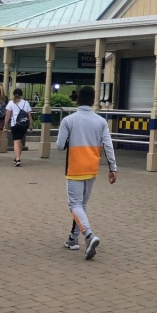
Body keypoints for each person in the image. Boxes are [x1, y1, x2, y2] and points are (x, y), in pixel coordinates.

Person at [55, 85, 116, 260]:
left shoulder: (68, 120)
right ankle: (73, 239)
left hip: (75, 167)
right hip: (92, 167)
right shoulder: (101, 121)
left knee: (74, 204)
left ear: (78, 100)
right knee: (81, 205)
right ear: (93, 101)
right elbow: (108, 146)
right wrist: (113, 168)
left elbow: (60, 146)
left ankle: (89, 236)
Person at [5, 88, 32, 167]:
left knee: (16, 141)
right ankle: (17, 157)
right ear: (21, 95)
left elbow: (7, 115)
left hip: (15, 124)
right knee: (20, 141)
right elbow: (29, 115)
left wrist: (5, 125)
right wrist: (30, 125)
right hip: (24, 124)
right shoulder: (26, 103)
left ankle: (17, 159)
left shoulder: (11, 103)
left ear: (13, 94)